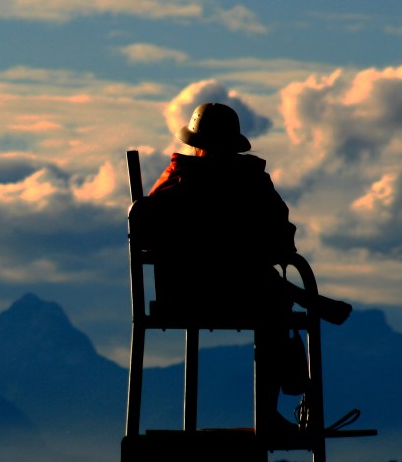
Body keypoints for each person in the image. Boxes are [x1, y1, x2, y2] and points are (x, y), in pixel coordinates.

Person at [129, 102, 320, 438]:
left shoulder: (176, 179)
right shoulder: (253, 182)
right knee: (276, 309)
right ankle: (268, 415)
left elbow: (144, 231)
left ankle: (268, 417)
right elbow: (283, 240)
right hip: (248, 298)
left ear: (195, 143)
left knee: (273, 304)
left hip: (182, 297)